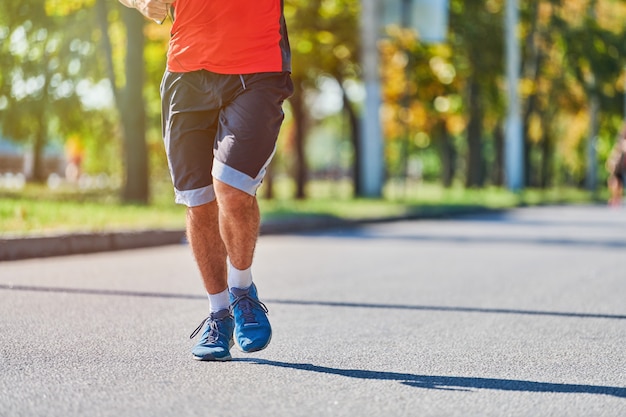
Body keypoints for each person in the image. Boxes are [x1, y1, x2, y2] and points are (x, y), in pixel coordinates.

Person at [118, 0, 293, 361]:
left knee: (230, 186)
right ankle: (219, 315)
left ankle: (242, 293)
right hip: (186, 70)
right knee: (197, 200)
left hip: (257, 66)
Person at [605, 126, 626, 207]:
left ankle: (616, 198)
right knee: (615, 181)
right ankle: (615, 198)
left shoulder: (621, 142)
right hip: (619, 165)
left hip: (621, 165)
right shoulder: (621, 142)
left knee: (616, 181)